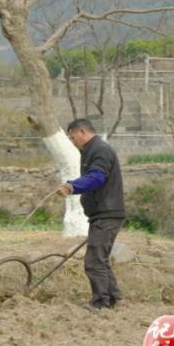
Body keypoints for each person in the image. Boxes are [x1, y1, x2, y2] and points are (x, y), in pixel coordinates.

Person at [56, 118, 125, 313]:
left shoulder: (99, 150)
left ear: (82, 132)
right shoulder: (92, 151)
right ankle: (113, 298)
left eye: (72, 137)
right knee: (101, 259)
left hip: (107, 213)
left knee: (94, 260)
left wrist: (71, 186)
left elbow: (97, 177)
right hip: (103, 214)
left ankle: (100, 303)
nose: (72, 141)